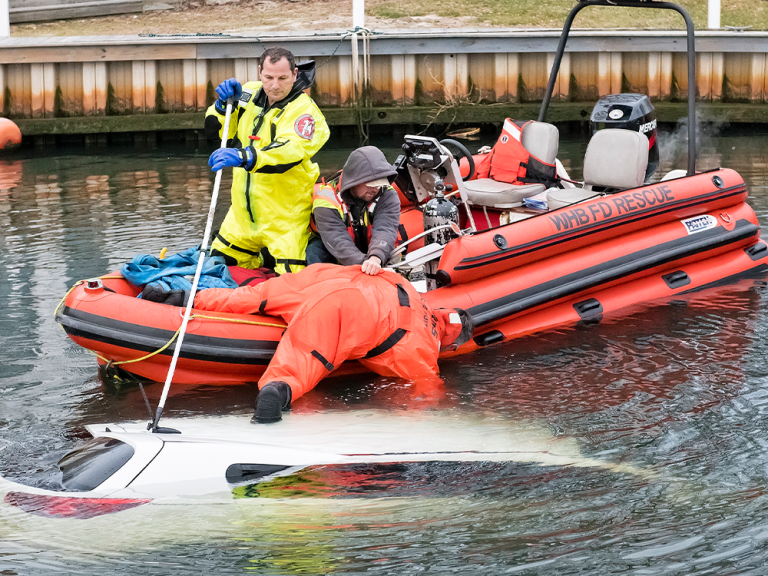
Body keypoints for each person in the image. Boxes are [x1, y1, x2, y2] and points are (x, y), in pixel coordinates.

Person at [190, 264, 474, 423]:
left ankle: (186, 299)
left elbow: (371, 270)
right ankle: (275, 395)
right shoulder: (422, 350)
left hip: (325, 280)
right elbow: (425, 394)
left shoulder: (406, 285)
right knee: (299, 363)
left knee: (253, 297)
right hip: (349, 314)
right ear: (452, 344)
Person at [205, 47, 330, 274]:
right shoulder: (248, 94)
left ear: (294, 74)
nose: (274, 85)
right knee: (218, 264)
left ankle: (273, 260)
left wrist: (245, 156)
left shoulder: (305, 112)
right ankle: (262, 259)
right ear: (259, 72)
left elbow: (289, 151)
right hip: (243, 215)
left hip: (285, 219)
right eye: (268, 77)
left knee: (294, 278)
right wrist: (223, 106)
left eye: (282, 78)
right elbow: (219, 130)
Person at [307, 146, 401, 276]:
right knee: (314, 251)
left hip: (373, 248)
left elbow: (385, 228)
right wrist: (365, 264)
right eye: (371, 184)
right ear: (354, 181)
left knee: (388, 248)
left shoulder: (388, 194)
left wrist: (376, 258)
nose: (376, 189)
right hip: (336, 250)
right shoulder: (325, 201)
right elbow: (337, 240)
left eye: (380, 183)